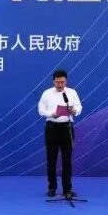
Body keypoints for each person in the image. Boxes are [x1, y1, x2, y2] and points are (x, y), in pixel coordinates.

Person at [37, 68, 83, 198]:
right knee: (51, 159)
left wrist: (74, 111)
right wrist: (52, 114)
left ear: (66, 81)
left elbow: (79, 107)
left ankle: (67, 189)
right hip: (52, 127)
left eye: (62, 82)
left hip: (67, 128)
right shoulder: (47, 93)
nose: (60, 85)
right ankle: (52, 188)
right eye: (57, 82)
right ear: (53, 81)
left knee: (67, 160)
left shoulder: (72, 93)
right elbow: (40, 110)